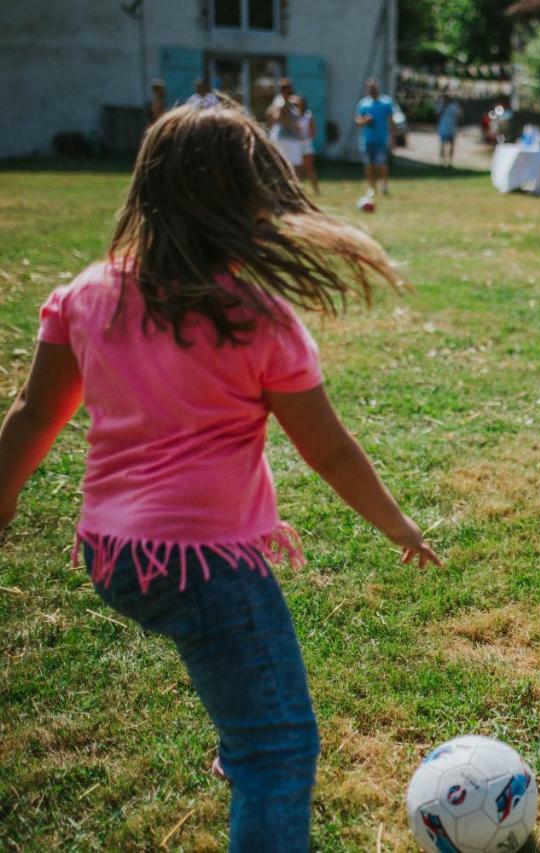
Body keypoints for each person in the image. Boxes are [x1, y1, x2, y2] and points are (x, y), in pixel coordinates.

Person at [0, 105, 442, 852]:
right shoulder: (256, 317)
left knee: (243, 693)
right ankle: (250, 754)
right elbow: (328, 451)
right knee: (281, 750)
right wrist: (397, 523)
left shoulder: (87, 294)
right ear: (250, 200)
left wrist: (4, 495)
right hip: (200, 566)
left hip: (114, 554)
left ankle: (238, 745)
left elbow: (35, 408)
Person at [354, 79, 395, 197]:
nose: (372, 90)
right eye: (370, 88)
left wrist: (393, 137)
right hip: (367, 140)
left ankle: (384, 185)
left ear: (377, 88)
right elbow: (357, 120)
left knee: (382, 165)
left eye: (374, 88)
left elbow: (391, 121)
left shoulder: (386, 102)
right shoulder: (363, 103)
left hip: (382, 139)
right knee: (369, 165)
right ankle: (372, 188)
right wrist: (365, 120)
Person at [267, 79, 307, 178]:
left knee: (291, 165)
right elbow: (276, 116)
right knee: (292, 166)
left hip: (288, 137)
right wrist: (292, 126)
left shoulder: (291, 100)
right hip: (285, 137)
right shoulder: (281, 101)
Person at [294, 94, 320, 194]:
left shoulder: (308, 115)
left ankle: (316, 190)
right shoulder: (293, 114)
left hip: (306, 144)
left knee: (309, 168)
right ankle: (298, 190)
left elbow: (313, 131)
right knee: (297, 169)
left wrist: (305, 137)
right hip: (295, 144)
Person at [437, 95, 462, 169]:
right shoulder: (441, 107)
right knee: (443, 146)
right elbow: (437, 115)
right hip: (443, 129)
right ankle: (442, 162)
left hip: (452, 129)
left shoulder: (453, 107)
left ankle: (449, 162)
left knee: (451, 146)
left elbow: (459, 116)